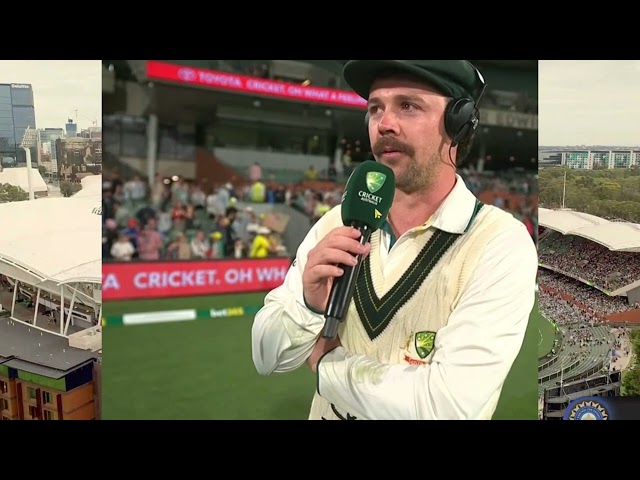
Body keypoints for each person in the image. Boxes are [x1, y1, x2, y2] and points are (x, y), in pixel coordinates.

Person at [251, 60, 538, 420]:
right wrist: (308, 306)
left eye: (408, 105)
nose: (383, 123)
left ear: (458, 124)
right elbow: (266, 358)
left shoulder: (500, 243)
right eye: (375, 108)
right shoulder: (337, 222)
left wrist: (329, 365)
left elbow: (446, 408)